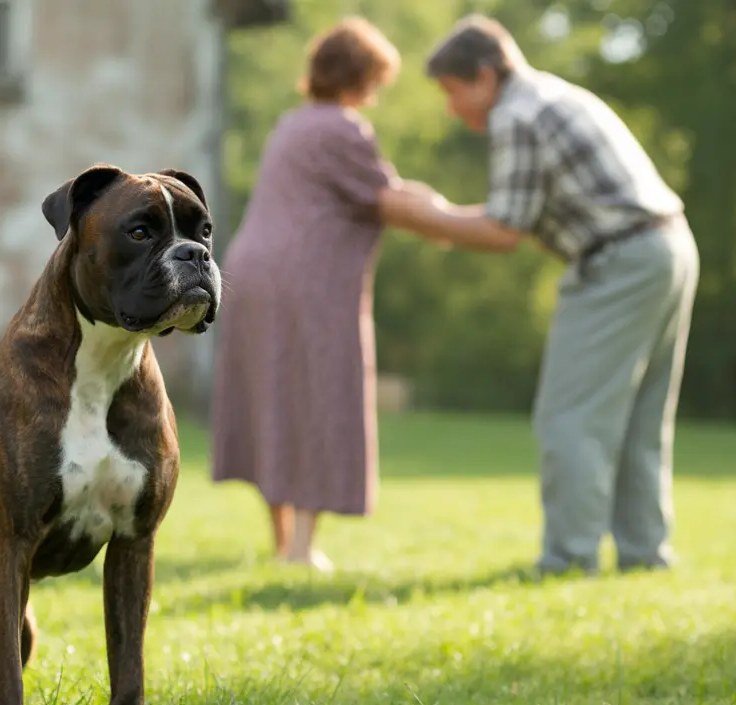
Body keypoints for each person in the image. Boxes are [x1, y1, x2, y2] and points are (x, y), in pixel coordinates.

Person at [387, 15, 700, 575]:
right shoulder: (554, 95)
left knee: (569, 417)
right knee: (641, 421)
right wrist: (440, 218)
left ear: (485, 74)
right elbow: (522, 220)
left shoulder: (517, 113)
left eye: (454, 92)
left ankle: (568, 558)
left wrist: (426, 214)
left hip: (620, 260)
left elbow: (505, 231)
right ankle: (645, 555)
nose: (452, 108)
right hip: (667, 246)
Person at [210, 17, 446, 571]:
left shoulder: (291, 124)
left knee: (273, 398)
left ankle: (282, 542)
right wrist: (449, 217)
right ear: (360, 77)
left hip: (252, 274)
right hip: (308, 283)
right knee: (319, 398)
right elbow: (386, 198)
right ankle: (302, 548)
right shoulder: (344, 128)